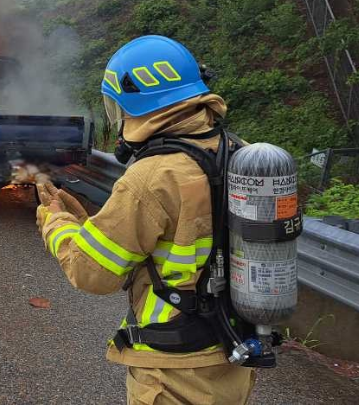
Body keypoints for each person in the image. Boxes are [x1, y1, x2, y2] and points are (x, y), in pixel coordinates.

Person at [36, 35, 254, 405]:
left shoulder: (152, 177)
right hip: (231, 357)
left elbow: (92, 272)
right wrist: (91, 223)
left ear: (138, 99)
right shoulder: (239, 152)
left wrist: (57, 223)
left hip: (173, 369)